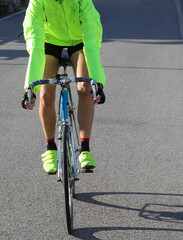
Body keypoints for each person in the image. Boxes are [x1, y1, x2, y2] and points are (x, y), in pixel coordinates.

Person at [22, 0, 106, 174]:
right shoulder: (38, 2)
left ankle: (85, 149)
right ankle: (51, 148)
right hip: (50, 42)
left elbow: (91, 38)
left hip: (79, 41)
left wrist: (97, 82)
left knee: (84, 88)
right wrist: (30, 88)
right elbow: (35, 42)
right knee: (46, 94)